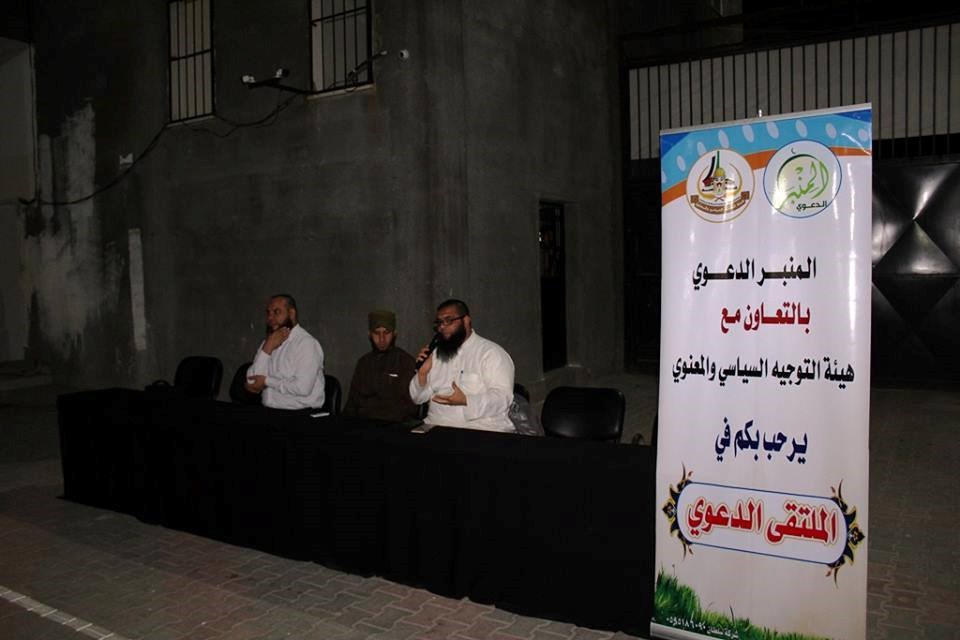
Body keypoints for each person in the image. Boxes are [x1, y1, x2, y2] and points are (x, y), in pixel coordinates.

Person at [409, 299, 515, 432]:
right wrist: (422, 373)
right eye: (440, 322)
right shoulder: (436, 354)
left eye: (448, 320)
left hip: (481, 429)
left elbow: (503, 398)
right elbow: (417, 398)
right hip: (435, 425)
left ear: (466, 321)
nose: (442, 327)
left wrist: (466, 400)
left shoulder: (491, 353)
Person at [245, 294, 325, 410]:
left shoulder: (306, 343)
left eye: (276, 312)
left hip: (299, 415)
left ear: (291, 314)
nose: (270, 318)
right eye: (268, 313)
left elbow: (302, 388)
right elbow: (251, 381)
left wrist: (266, 381)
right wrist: (267, 348)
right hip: (268, 411)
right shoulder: (269, 342)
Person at [343, 309, 419, 422]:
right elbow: (352, 403)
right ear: (369, 334)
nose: (382, 339)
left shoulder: (405, 362)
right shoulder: (363, 363)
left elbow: (410, 408)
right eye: (377, 333)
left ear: (394, 334)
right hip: (364, 424)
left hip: (394, 425)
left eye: (386, 333)